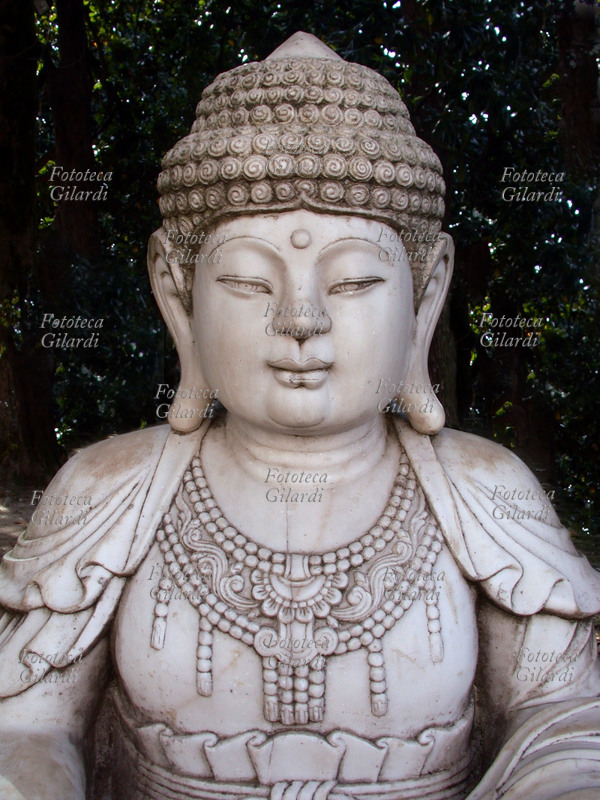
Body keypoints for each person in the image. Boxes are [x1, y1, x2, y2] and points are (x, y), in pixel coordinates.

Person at [1, 31, 599, 800]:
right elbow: (27, 728)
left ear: (426, 295)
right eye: (250, 283)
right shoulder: (105, 490)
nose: (302, 320)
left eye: (353, 284)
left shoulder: (487, 491)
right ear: (178, 295)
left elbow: (565, 722)